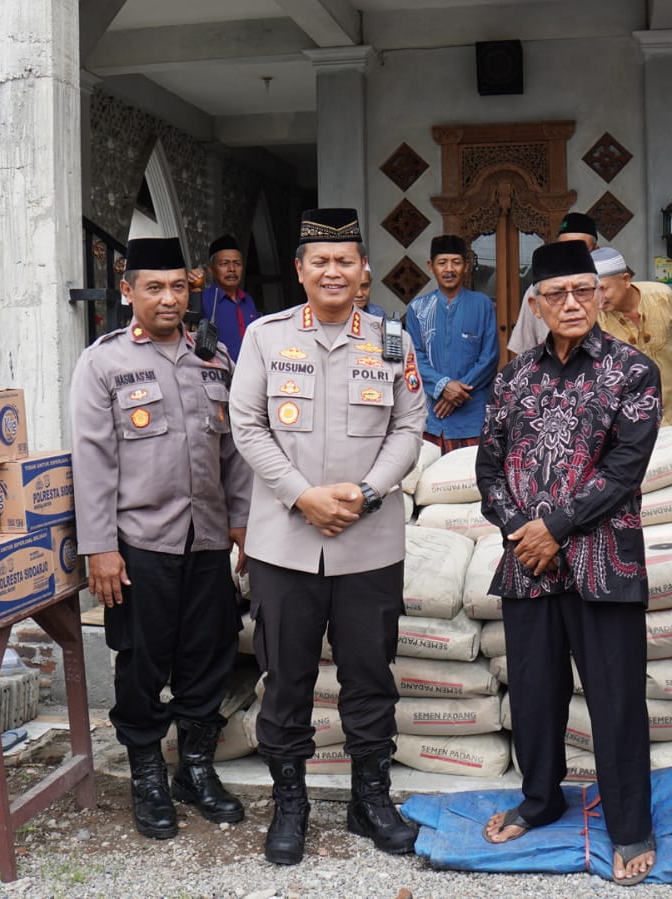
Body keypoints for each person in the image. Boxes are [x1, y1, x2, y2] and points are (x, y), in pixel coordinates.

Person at [228, 208, 428, 866]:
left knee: (369, 676)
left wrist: (368, 491)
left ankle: (371, 799)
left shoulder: (391, 339)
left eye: (345, 261)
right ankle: (290, 803)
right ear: (300, 270)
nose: (333, 271)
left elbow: (409, 426)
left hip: (368, 540)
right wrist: (302, 495)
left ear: (364, 269)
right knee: (285, 677)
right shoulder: (265, 337)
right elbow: (246, 424)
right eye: (320, 261)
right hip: (285, 541)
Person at [475, 240, 662, 885]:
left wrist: (554, 528)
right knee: (533, 694)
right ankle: (540, 799)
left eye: (584, 290)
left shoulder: (632, 371)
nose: (573, 303)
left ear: (601, 294)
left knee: (615, 698)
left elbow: (625, 468)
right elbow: (488, 467)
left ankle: (630, 824)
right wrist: (519, 531)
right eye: (557, 294)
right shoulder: (513, 378)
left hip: (603, 562)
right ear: (536, 304)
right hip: (527, 565)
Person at [69, 236, 253, 840]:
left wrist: (243, 523)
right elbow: (92, 461)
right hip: (140, 543)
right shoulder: (104, 363)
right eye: (154, 287)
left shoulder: (214, 359)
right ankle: (147, 774)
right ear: (128, 291)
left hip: (207, 540)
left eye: (177, 286)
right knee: (142, 663)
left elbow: (234, 453)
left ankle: (194, 768)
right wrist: (99, 547)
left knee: (209, 654)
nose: (168, 298)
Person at [592, 246, 672, 430]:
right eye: (592, 291)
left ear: (626, 280)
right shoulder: (594, 320)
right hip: (633, 426)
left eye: (603, 289)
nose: (599, 299)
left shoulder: (664, 297)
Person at [404, 234, 499, 453]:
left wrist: (456, 393)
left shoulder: (483, 304)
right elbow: (414, 357)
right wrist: (443, 386)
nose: (449, 269)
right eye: (442, 263)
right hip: (431, 417)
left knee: (469, 473)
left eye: (456, 262)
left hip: (471, 419)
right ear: (431, 266)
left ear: (466, 266)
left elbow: (490, 358)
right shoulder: (418, 309)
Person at [506, 211, 598, 355]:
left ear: (596, 251)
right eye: (555, 295)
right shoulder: (536, 291)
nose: (571, 305)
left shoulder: (605, 288)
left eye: (579, 250)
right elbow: (524, 350)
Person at [201, 234, 259, 360]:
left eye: (237, 263)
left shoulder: (248, 300)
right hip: (218, 371)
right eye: (224, 263)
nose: (232, 269)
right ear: (210, 269)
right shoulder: (203, 299)